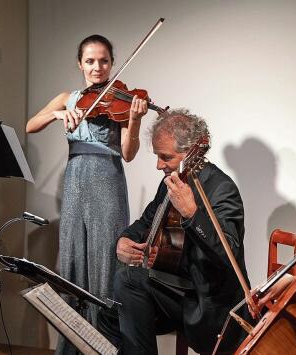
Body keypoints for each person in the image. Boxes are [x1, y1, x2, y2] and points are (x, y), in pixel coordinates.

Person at [25, 34, 149, 354]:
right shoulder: (68, 97)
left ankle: (105, 346)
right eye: (90, 61)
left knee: (106, 262)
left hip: (107, 179)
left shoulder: (120, 99)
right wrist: (57, 114)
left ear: (111, 63)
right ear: (79, 64)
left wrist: (133, 120)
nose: (97, 67)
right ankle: (73, 346)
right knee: (73, 259)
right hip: (75, 181)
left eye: (104, 61)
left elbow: (128, 152)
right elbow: (30, 125)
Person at [98, 109, 249, 355]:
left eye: (165, 157)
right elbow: (145, 222)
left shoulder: (222, 189)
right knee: (108, 313)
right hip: (179, 294)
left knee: (127, 281)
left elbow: (228, 254)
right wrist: (124, 240)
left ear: (191, 153)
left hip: (210, 307)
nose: (159, 165)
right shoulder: (172, 181)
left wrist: (192, 213)